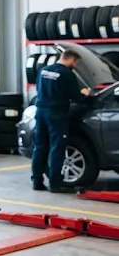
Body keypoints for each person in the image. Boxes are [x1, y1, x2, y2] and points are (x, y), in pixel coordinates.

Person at [30, 48, 92, 193]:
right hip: (56, 115)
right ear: (71, 59)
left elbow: (39, 90)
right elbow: (76, 98)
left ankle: (37, 181)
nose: (75, 65)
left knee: (39, 147)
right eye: (75, 62)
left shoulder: (43, 70)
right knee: (57, 148)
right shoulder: (66, 74)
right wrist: (85, 93)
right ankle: (56, 183)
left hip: (40, 112)